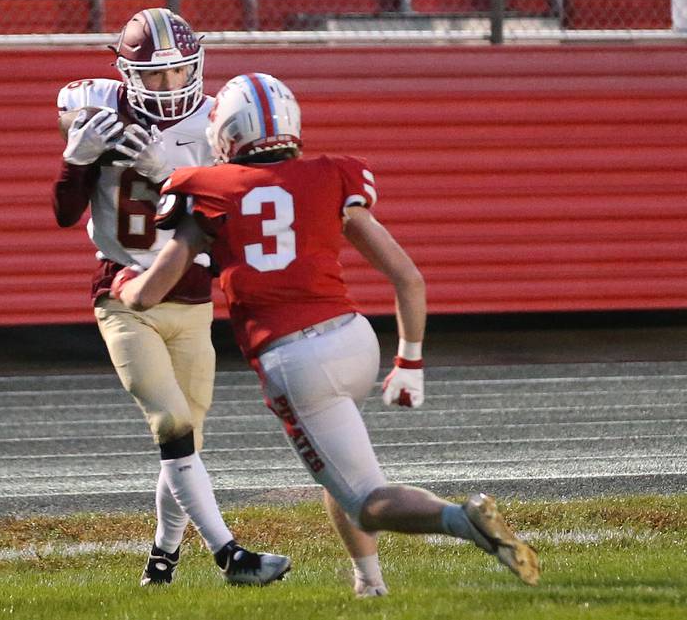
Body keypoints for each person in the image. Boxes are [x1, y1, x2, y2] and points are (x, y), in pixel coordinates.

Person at [111, 72, 541, 596]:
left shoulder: (204, 190)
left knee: (366, 499)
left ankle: (461, 519)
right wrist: (409, 362)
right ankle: (369, 583)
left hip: (295, 360)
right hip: (356, 339)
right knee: (338, 475)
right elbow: (407, 276)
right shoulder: (333, 175)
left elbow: (149, 294)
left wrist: (126, 282)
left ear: (226, 133)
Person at [51, 10, 290, 586]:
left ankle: (162, 559)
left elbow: (227, 213)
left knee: (187, 445)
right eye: (153, 75)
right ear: (127, 72)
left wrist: (171, 175)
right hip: (124, 290)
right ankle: (232, 556)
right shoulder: (99, 111)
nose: (167, 85)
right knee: (172, 425)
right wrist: (75, 161)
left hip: (193, 297)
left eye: (179, 72)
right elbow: (64, 215)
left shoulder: (217, 121)